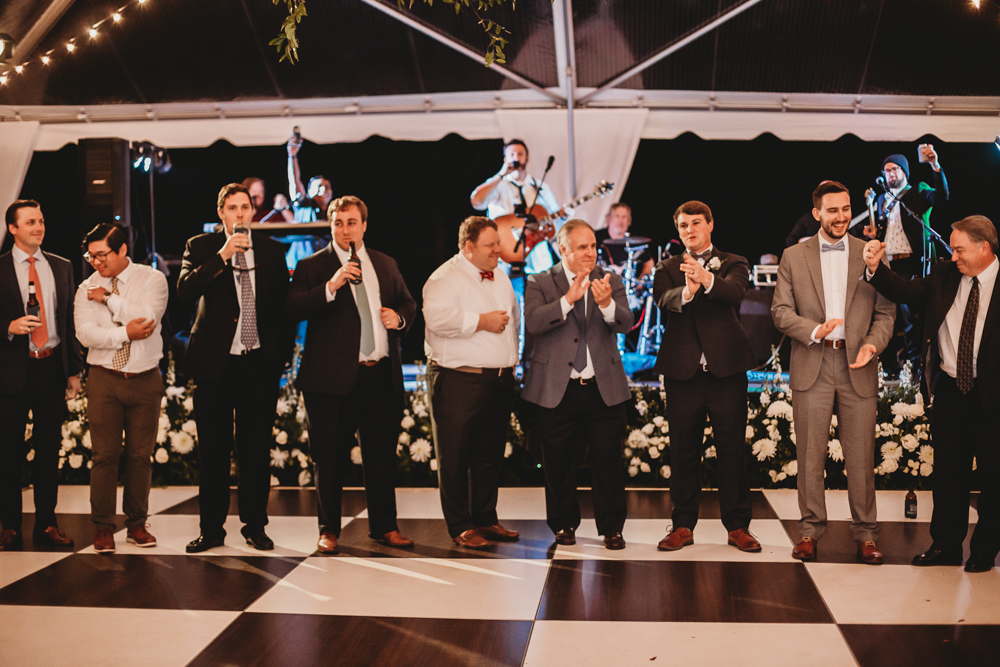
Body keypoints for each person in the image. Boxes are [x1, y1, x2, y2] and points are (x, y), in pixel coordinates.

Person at [864, 216, 1000, 573]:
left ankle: (985, 550)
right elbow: (906, 292)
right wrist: (876, 268)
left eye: (960, 250)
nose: (953, 256)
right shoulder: (944, 274)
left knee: (994, 476)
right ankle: (945, 546)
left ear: (984, 247)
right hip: (951, 389)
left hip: (992, 395)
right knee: (948, 474)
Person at [771, 180, 895, 564]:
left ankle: (867, 535)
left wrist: (873, 344)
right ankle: (809, 532)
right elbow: (780, 312)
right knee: (810, 457)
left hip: (859, 365)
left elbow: (886, 312)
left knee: (861, 457)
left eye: (846, 209)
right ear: (817, 213)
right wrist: (813, 330)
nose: (841, 216)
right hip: (813, 362)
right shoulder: (794, 255)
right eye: (832, 210)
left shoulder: (871, 253)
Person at [287, 195, 416, 554]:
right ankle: (328, 529)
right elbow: (292, 307)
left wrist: (399, 318)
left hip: (379, 376)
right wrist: (331, 286)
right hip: (330, 381)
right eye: (338, 223)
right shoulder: (312, 265)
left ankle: (385, 526)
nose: (345, 230)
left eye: (352, 223)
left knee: (381, 456)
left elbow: (408, 302)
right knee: (329, 459)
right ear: (330, 226)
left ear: (364, 226)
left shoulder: (385, 263)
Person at [177, 183, 295, 553]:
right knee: (213, 452)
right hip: (215, 365)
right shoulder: (201, 246)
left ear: (252, 212)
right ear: (221, 214)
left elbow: (284, 308)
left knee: (255, 451)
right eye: (232, 208)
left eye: (245, 207)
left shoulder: (273, 251)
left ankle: (255, 526)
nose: (240, 213)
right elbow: (184, 290)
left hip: (258, 364)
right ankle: (211, 529)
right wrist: (223, 255)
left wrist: (281, 356)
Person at [653, 201, 761, 553]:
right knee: (683, 451)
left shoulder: (733, 262)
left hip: (726, 371)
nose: (690, 230)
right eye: (683, 226)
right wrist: (687, 290)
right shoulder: (667, 267)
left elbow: (736, 293)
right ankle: (682, 525)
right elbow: (662, 300)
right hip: (682, 373)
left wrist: (706, 278)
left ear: (710, 225)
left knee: (732, 449)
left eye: (696, 223)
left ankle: (738, 526)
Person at [521, 219, 633, 550]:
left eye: (593, 246)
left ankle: (612, 529)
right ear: (563, 249)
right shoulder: (539, 280)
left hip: (603, 386)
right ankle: (563, 525)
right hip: (557, 388)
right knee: (557, 462)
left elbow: (626, 323)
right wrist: (567, 300)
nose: (590, 253)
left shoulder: (610, 280)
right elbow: (534, 322)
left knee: (608, 462)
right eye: (582, 247)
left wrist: (607, 304)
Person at [423, 216, 520, 549]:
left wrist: (513, 360)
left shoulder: (500, 276)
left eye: (498, 243)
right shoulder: (444, 278)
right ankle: (460, 525)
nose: (498, 249)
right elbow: (435, 319)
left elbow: (513, 320)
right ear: (468, 247)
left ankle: (485, 518)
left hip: (498, 380)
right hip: (458, 380)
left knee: (488, 454)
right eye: (490, 245)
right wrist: (480, 321)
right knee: (454, 456)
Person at [75, 224, 168, 553]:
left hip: (145, 378)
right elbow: (86, 334)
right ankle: (103, 527)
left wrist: (109, 299)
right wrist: (124, 334)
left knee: (140, 456)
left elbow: (148, 318)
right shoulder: (86, 287)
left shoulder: (151, 279)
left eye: (102, 255)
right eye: (91, 256)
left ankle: (137, 524)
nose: (96, 262)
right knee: (104, 456)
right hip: (104, 379)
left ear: (123, 250)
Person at [0, 200, 83, 551]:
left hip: (51, 367)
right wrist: (9, 326)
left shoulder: (61, 266)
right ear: (13, 228)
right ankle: (9, 527)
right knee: (8, 453)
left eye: (41, 221)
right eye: (31, 222)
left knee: (49, 452)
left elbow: (69, 321)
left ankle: (47, 525)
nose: (39, 227)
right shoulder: (1, 268)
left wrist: (74, 370)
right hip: (11, 370)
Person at [863, 148, 950, 376]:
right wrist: (871, 233)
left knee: (911, 316)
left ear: (904, 172)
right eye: (886, 170)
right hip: (887, 262)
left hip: (911, 262)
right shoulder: (881, 199)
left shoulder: (917, 191)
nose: (890, 173)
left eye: (895, 169)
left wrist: (935, 166)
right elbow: (882, 230)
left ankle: (916, 367)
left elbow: (940, 197)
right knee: (884, 314)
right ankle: (890, 367)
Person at [470, 139, 566, 273]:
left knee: (543, 283)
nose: (516, 158)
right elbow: (477, 202)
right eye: (512, 154)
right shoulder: (498, 185)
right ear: (505, 159)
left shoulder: (540, 187)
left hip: (537, 255)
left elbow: (555, 218)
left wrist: (562, 216)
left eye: (520, 154)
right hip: (505, 252)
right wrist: (501, 174)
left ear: (527, 158)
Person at [286, 134, 334, 268]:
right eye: (319, 186)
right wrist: (292, 156)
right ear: (308, 192)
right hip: (297, 267)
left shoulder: (334, 212)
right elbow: (295, 181)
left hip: (325, 268)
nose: (323, 190)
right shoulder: (304, 205)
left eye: (327, 187)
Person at [595, 203, 654, 278]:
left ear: (628, 220)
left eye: (624, 217)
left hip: (628, 283)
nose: (620, 220)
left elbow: (649, 262)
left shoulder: (636, 240)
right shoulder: (596, 237)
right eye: (617, 216)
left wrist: (641, 280)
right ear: (609, 218)